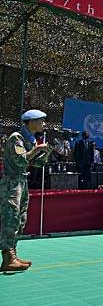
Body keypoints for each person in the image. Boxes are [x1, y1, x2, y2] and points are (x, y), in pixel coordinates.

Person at [1, 109, 52, 272]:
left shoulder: (29, 139)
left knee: (20, 218)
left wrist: (44, 154)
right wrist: (38, 150)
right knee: (12, 216)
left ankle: (12, 254)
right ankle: (8, 257)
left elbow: (35, 164)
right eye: (40, 120)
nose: (43, 124)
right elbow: (20, 160)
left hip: (21, 181)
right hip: (12, 182)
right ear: (31, 122)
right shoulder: (17, 137)